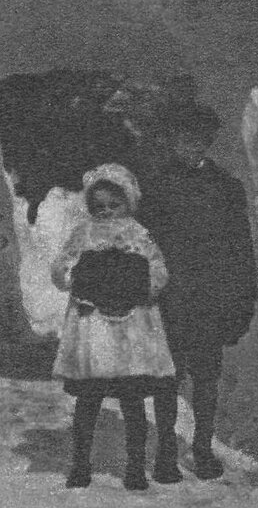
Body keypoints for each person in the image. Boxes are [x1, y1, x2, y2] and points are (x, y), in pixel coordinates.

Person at [137, 97, 258, 482]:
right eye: (184, 138)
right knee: (166, 379)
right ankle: (166, 452)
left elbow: (240, 250)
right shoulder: (155, 188)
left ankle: (202, 449)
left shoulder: (226, 188)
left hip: (210, 298)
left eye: (200, 138)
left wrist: (242, 301)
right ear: (172, 139)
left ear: (209, 141)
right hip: (169, 298)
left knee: (206, 380)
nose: (192, 145)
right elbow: (142, 247)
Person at [51, 163, 177, 490]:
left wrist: (143, 288)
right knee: (89, 400)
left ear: (128, 203)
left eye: (114, 205)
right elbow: (61, 267)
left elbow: (159, 270)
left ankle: (134, 467)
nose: (106, 212)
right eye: (99, 207)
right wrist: (77, 279)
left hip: (131, 328)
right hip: (93, 327)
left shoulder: (138, 234)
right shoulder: (84, 233)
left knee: (132, 401)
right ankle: (81, 465)